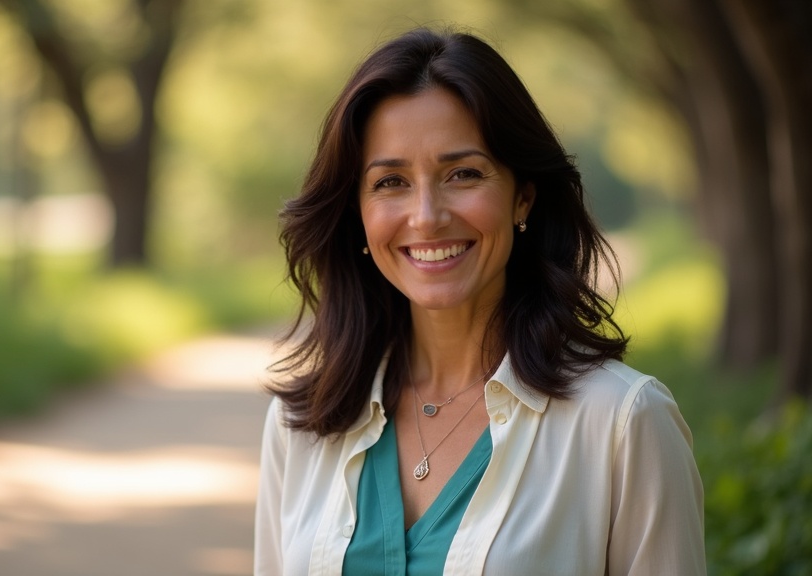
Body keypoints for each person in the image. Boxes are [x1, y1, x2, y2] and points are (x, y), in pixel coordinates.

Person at [254, 27, 705, 575]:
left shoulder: (623, 423)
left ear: (523, 197)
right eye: (390, 182)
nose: (427, 216)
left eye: (463, 174)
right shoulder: (301, 426)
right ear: (358, 213)